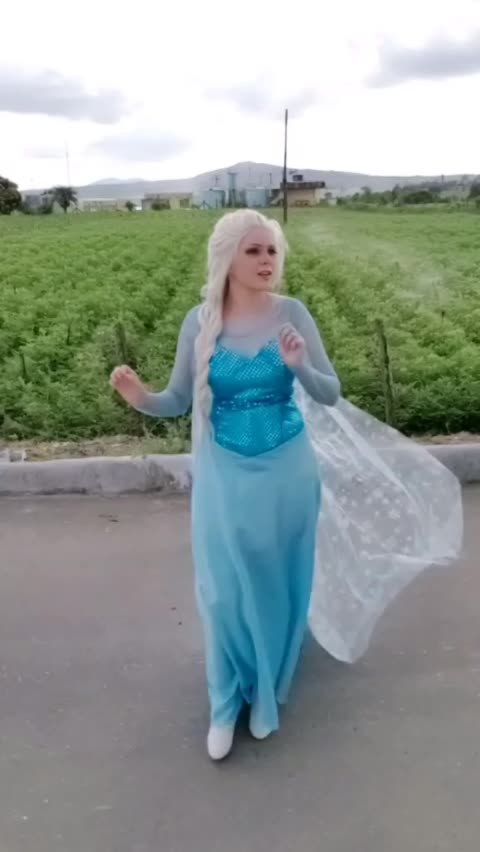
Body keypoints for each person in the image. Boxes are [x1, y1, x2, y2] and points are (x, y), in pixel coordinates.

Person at [111, 209, 462, 761]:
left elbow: (329, 392)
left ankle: (268, 684)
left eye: (272, 250)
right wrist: (140, 398)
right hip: (225, 470)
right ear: (227, 258)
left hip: (287, 467)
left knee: (276, 578)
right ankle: (224, 700)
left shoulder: (291, 313)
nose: (266, 260)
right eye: (253, 250)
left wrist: (298, 365)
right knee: (224, 587)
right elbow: (177, 401)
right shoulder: (199, 322)